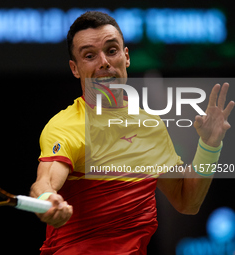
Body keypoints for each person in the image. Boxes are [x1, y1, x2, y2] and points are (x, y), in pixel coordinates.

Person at [30, 11, 234, 254]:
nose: (104, 62)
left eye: (112, 50)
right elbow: (46, 180)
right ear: (75, 68)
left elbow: (186, 201)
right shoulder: (65, 126)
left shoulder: (151, 126)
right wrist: (47, 199)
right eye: (89, 56)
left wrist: (209, 146)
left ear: (126, 57)